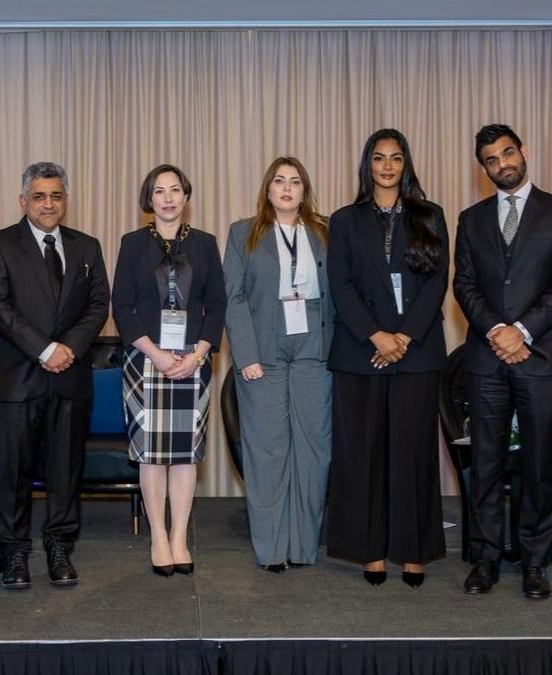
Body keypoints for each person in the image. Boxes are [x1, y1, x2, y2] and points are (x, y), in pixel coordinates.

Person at [453, 123, 552, 599]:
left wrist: (522, 331)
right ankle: (485, 558)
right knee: (485, 462)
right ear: (483, 168)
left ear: (523, 151)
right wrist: (497, 332)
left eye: (507, 153)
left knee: (538, 464)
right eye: (491, 160)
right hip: (487, 359)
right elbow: (464, 284)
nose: (502, 164)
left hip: (541, 357)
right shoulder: (471, 219)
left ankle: (534, 560)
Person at [326, 130, 449, 587]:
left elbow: (438, 282)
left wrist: (404, 337)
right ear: (368, 165)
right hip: (361, 352)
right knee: (364, 455)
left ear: (406, 164)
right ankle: (370, 552)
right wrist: (377, 336)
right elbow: (340, 285)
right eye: (379, 158)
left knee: (413, 454)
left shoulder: (430, 215)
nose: (387, 166)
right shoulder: (344, 220)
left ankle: (413, 553)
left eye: (396, 158)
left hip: (416, 353)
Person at [0, 162, 110, 589]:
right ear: (23, 201)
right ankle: (14, 553)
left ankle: (59, 548)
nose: (48, 204)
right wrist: (45, 349)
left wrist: (67, 348)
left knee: (65, 472)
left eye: (56, 196)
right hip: (17, 380)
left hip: (70, 378)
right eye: (39, 196)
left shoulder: (87, 247)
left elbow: (98, 305)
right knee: (11, 473)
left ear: (65, 200)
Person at [114, 164, 226, 576]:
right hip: (146, 359)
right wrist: (157, 354)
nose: (167, 198)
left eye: (175, 190)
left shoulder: (205, 244)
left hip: (193, 360)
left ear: (186, 196)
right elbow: (122, 306)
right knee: (152, 455)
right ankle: (158, 537)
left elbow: (217, 305)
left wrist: (198, 355)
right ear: (149, 199)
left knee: (184, 456)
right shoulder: (132, 244)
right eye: (159, 191)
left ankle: (179, 536)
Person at [223, 157, 332, 572]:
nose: (287, 188)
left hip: (315, 345)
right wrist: (246, 355)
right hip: (264, 345)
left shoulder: (326, 231)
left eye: (295, 182)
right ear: (267, 189)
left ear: (304, 190)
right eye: (279, 181)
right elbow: (233, 297)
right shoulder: (243, 233)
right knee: (267, 450)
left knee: (313, 449)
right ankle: (271, 550)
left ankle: (303, 547)